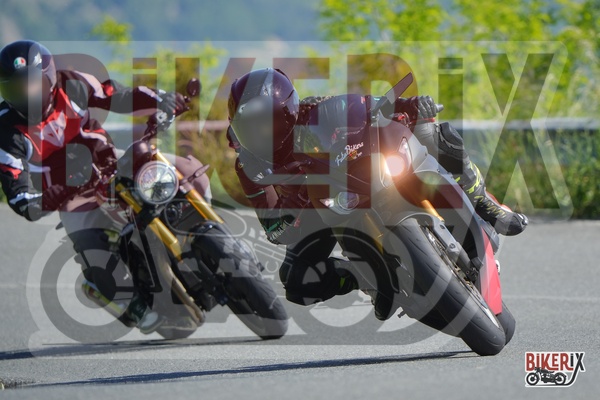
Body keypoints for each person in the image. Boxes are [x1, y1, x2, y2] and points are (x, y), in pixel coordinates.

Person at [227, 68, 528, 320]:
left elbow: (369, 108)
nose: (259, 133)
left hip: (356, 173)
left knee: (436, 134)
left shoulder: (316, 110)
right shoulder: (249, 165)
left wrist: (411, 106)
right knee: (296, 281)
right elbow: (273, 225)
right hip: (317, 209)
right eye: (247, 127)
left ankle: (481, 201)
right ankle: (363, 277)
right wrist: (293, 214)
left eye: (266, 122)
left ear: (288, 111)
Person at [0, 40, 210, 333]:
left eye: (32, 84)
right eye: (17, 89)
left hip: (111, 163)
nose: (27, 94)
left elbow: (118, 96)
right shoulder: (5, 131)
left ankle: (208, 234)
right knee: (93, 251)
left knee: (188, 172)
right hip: (69, 195)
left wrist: (162, 98)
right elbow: (18, 195)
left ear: (49, 77)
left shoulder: (72, 84)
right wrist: (50, 196)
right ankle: (119, 298)